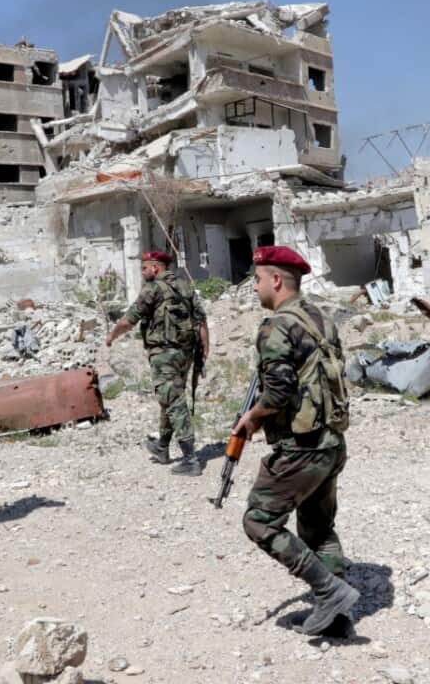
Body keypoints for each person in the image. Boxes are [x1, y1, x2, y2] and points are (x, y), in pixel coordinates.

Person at [232, 245, 359, 636]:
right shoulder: (322, 318)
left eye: (256, 280)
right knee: (318, 529)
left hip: (302, 449)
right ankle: (337, 616)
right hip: (331, 443)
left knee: (259, 520)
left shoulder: (276, 326)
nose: (254, 288)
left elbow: (279, 389)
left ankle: (328, 591)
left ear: (275, 280)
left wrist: (251, 418)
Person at [105, 250, 209, 476]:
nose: (142, 273)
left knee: (173, 400)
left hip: (164, 354)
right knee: (169, 397)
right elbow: (201, 320)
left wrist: (111, 336)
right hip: (186, 353)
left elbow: (129, 320)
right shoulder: (186, 287)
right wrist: (204, 351)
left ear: (156, 267)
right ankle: (162, 447)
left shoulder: (152, 289)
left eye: (144, 268)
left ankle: (191, 459)